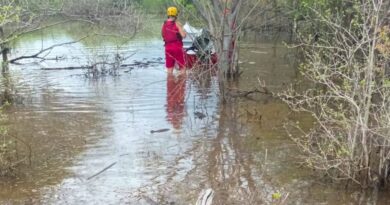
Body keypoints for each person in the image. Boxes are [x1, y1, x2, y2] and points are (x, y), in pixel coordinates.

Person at [161, 6, 187, 74]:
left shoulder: (164, 24)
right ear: (176, 14)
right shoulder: (177, 23)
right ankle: (182, 83)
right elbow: (183, 36)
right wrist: (184, 31)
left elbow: (163, 35)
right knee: (182, 67)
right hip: (177, 48)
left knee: (169, 69)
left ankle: (170, 84)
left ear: (168, 14)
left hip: (168, 48)